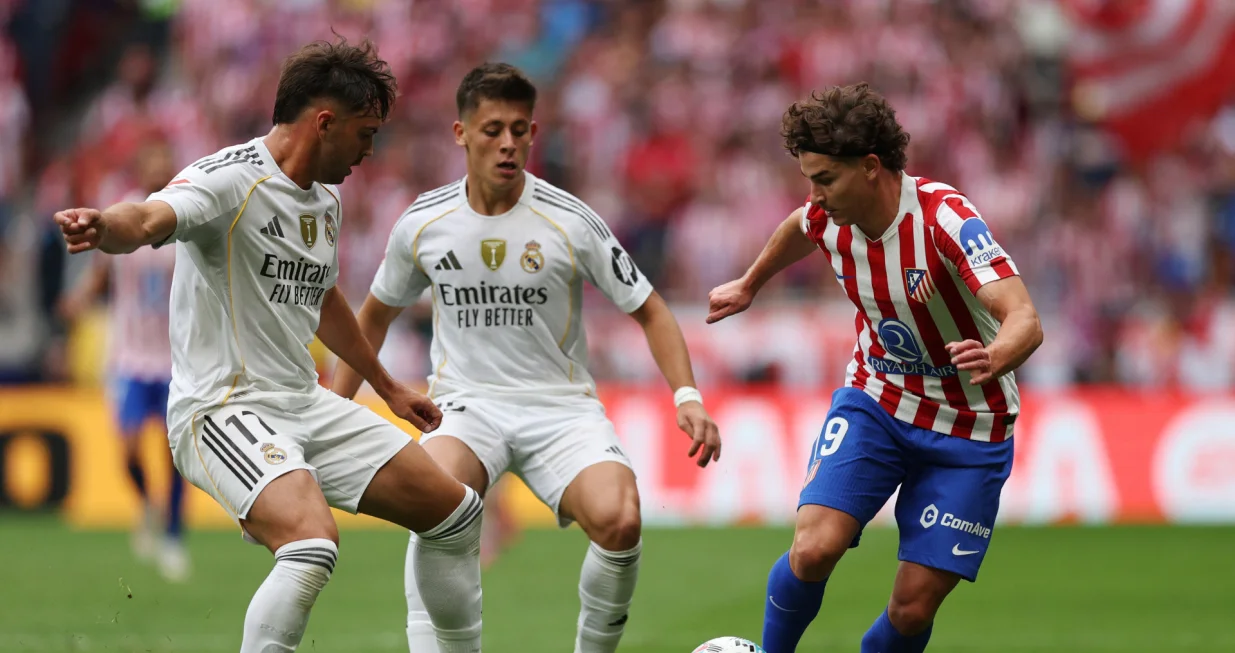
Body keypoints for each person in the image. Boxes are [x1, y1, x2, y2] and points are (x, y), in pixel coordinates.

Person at [53, 38, 485, 653]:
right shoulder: (227, 181)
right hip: (220, 409)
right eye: (365, 134)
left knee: (455, 515)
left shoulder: (326, 198)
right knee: (312, 545)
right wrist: (104, 227)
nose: (369, 151)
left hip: (300, 403)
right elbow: (149, 220)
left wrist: (386, 386)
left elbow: (323, 297)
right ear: (324, 122)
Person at [332, 62, 722, 653]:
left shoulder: (570, 221)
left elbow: (651, 309)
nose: (508, 143)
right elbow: (374, 317)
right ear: (462, 134)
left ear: (533, 133)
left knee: (620, 520)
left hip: (559, 408)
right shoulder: (424, 223)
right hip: (465, 406)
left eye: (519, 129)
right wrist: (329, 413)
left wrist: (687, 396)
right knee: (433, 500)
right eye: (492, 130)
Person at [706, 83, 1043, 653]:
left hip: (970, 425)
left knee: (911, 609)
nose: (814, 195)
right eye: (809, 179)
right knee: (813, 549)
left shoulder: (945, 219)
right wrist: (750, 283)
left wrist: (996, 354)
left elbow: (1024, 318)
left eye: (824, 180)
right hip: (878, 400)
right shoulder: (827, 216)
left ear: (869, 167)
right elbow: (798, 227)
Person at [59, 137, 190, 582]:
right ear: (141, 168)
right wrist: (79, 300)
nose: (160, 169)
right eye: (152, 160)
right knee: (129, 448)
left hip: (175, 358)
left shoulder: (184, 216)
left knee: (176, 454)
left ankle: (173, 536)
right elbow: (102, 272)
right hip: (131, 356)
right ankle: (148, 507)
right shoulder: (125, 214)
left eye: (165, 160)